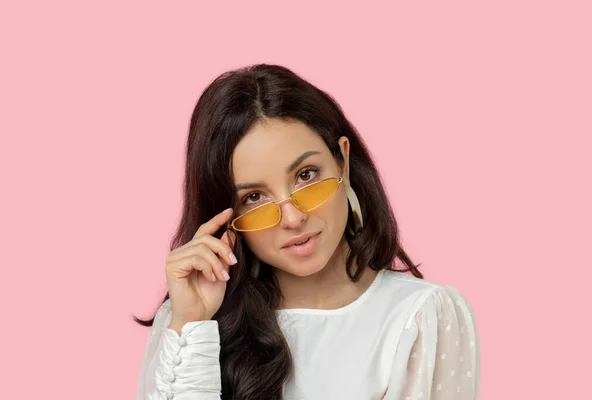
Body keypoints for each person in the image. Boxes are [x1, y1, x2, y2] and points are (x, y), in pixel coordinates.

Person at [135, 64, 480, 400]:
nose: (292, 218)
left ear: (342, 161)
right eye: (254, 197)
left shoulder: (420, 318)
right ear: (228, 215)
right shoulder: (189, 319)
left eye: (306, 175)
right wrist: (192, 325)